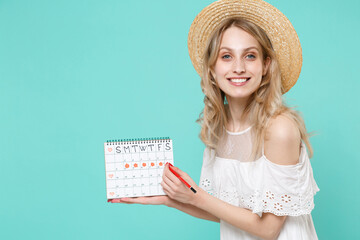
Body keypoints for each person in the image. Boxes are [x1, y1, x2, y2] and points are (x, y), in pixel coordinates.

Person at [111, 0, 320, 239]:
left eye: (250, 56)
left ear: (266, 65)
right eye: (226, 56)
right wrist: (172, 199)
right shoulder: (218, 128)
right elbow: (232, 213)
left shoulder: (280, 129)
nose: (239, 67)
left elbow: (269, 229)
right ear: (211, 69)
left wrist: (196, 196)